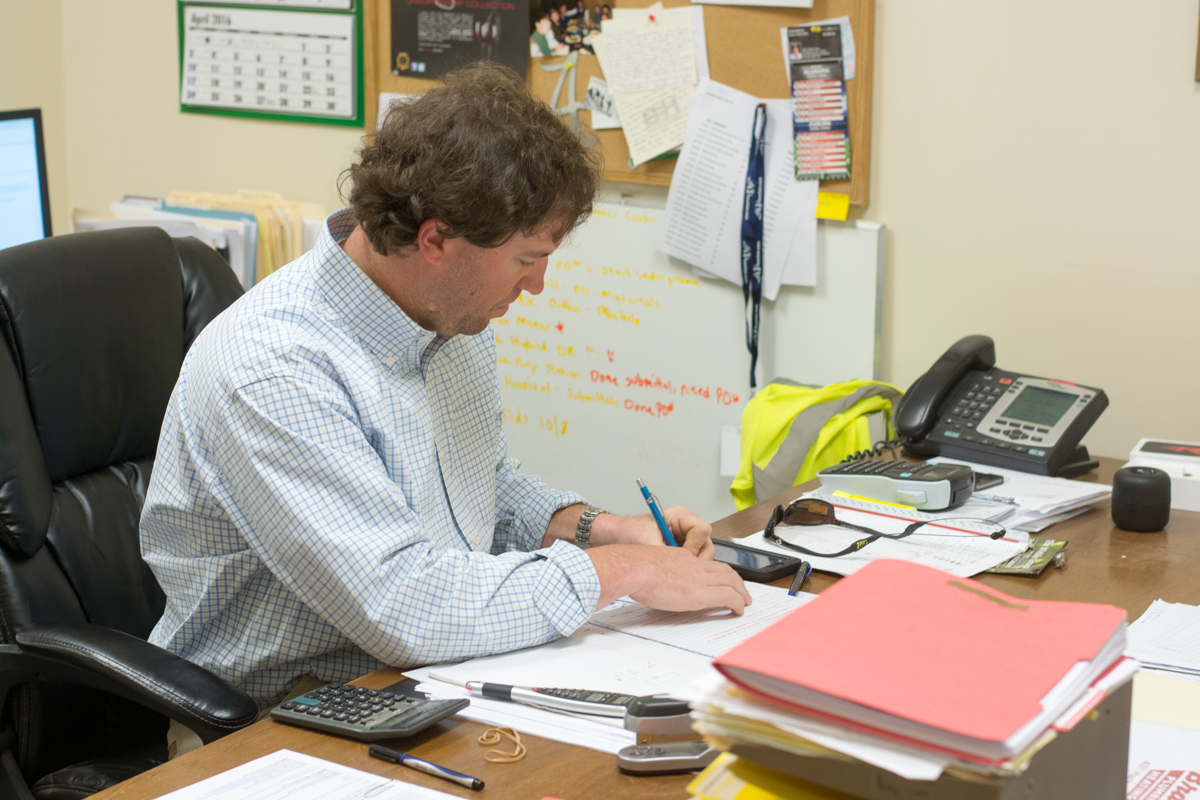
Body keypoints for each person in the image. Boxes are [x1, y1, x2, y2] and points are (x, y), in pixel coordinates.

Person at [141, 64, 751, 711]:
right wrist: (619, 573)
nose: (537, 286)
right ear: (435, 239)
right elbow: (403, 605)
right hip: (280, 717)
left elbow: (485, 490)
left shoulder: (449, 317)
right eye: (525, 260)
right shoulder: (273, 369)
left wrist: (606, 531)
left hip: (421, 680)